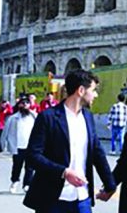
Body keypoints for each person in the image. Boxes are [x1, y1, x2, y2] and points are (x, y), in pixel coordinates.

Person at [23, 69, 117, 213]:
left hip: (82, 199)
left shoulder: (88, 117)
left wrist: (110, 185)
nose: (96, 95)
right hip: (53, 199)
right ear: (80, 90)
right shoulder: (48, 117)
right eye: (93, 90)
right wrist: (64, 172)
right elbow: (33, 156)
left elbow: (97, 152)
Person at [1, 97, 38, 193]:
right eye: (23, 103)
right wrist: (1, 145)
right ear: (19, 105)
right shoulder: (13, 118)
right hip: (18, 146)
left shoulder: (34, 116)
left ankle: (27, 184)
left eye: (27, 103)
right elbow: (5, 132)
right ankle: (14, 181)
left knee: (30, 167)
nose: (25, 105)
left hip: (30, 146)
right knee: (17, 166)